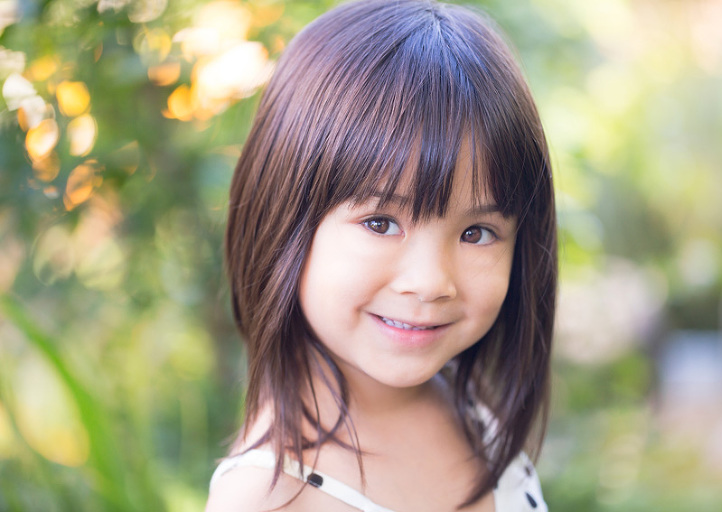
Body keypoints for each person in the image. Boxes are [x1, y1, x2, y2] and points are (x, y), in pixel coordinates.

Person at [206, 0, 557, 510]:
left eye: (476, 232)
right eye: (380, 223)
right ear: (281, 219)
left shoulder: (471, 412)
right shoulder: (269, 497)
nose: (431, 282)